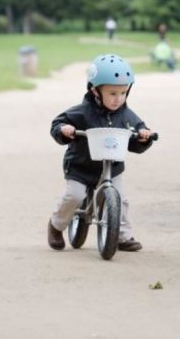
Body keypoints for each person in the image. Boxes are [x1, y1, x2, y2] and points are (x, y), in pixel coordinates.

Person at [47, 54, 155, 251]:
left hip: (111, 168)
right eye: (112, 93)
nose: (118, 99)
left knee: (120, 199)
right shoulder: (81, 112)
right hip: (81, 167)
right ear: (95, 91)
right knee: (75, 196)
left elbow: (138, 132)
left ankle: (121, 236)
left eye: (123, 93)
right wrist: (65, 130)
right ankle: (56, 225)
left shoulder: (126, 115)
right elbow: (58, 123)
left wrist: (143, 136)